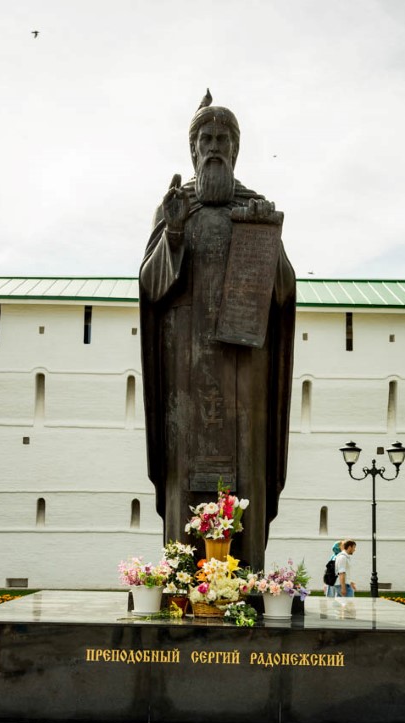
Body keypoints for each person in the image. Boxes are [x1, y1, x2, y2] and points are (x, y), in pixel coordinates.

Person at [139, 93, 296, 570]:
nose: (213, 146)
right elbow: (150, 286)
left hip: (244, 375)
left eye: (221, 138)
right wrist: (174, 234)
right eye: (204, 138)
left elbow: (285, 291)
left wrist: (266, 239)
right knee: (186, 466)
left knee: (244, 466)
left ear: (235, 148)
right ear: (192, 150)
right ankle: (184, 576)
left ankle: (245, 576)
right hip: (185, 367)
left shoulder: (254, 209)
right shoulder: (174, 207)